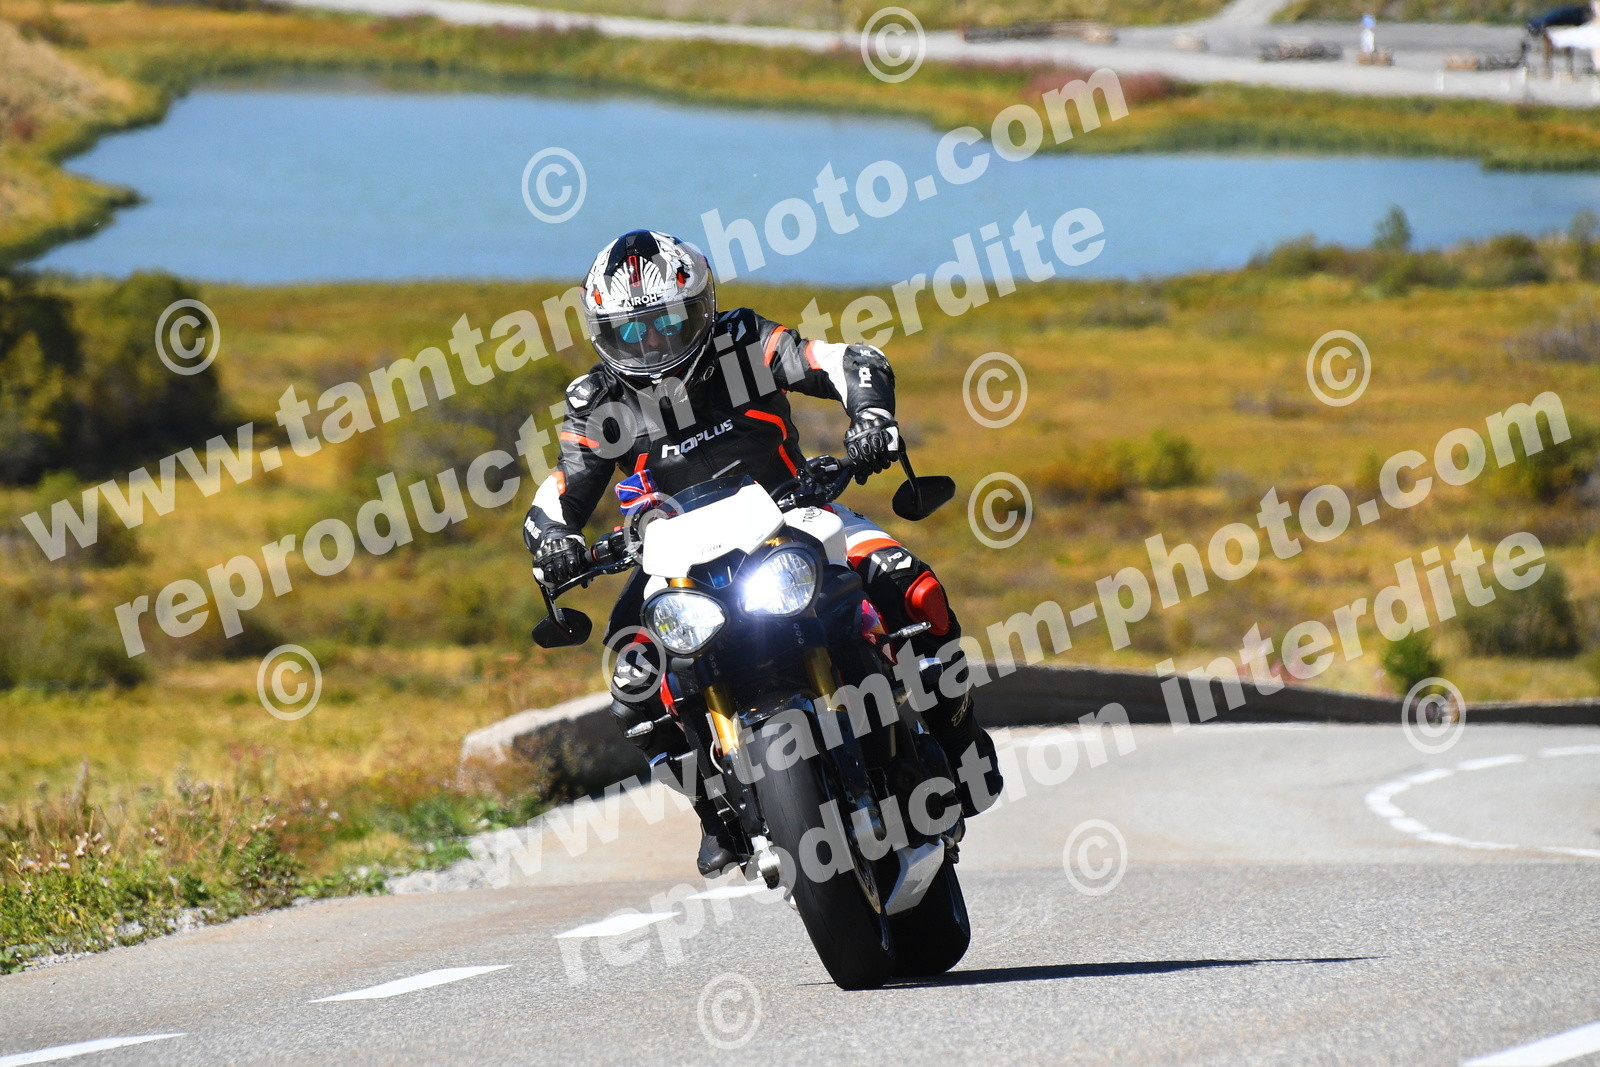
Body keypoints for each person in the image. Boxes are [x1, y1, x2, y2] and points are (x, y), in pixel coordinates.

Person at [522, 229, 1003, 876]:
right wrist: (555, 543)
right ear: (602, 332)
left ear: (701, 306)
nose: (653, 342)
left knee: (911, 584)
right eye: (631, 331)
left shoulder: (743, 341)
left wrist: (871, 419)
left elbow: (845, 359)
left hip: (793, 510)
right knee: (631, 680)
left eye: (667, 321)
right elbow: (560, 492)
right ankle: (715, 811)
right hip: (672, 556)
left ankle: (960, 740)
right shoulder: (597, 402)